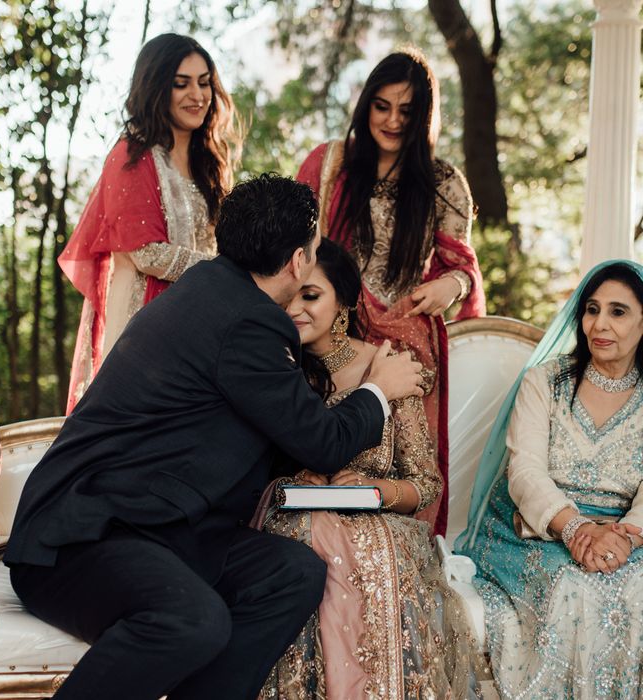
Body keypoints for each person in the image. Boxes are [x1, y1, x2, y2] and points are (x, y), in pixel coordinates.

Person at [4, 174, 425, 700]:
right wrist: (379, 390)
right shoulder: (246, 322)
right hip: (82, 538)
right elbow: (324, 442)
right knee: (193, 620)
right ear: (297, 260)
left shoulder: (215, 292)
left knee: (292, 573)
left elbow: (266, 433)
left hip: (165, 529)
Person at [257, 239, 483, 699]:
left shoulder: (391, 368)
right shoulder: (271, 371)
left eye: (311, 296)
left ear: (346, 300)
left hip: (382, 524)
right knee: (313, 538)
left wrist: (376, 489)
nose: (295, 308)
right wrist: (292, 480)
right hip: (295, 520)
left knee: (368, 545)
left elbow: (425, 483)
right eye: (289, 296)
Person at [297, 48, 485, 534]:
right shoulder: (331, 165)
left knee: (402, 462)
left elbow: (463, 268)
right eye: (383, 106)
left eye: (407, 110)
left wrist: (450, 283)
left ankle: (399, 534)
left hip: (404, 334)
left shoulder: (443, 184)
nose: (393, 120)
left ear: (425, 116)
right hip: (328, 325)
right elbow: (292, 248)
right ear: (366, 105)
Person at [456, 260, 643, 699]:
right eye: (592, 309)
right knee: (574, 585)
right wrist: (576, 528)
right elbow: (525, 473)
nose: (600, 323)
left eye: (618, 312)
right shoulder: (545, 382)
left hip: (622, 535)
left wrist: (624, 538)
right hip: (535, 531)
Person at [59, 32, 241, 412]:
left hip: (202, 318)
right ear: (157, 86)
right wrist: (230, 270)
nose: (198, 95)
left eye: (205, 82)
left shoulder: (209, 162)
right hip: (145, 324)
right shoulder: (133, 153)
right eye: (182, 83)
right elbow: (146, 253)